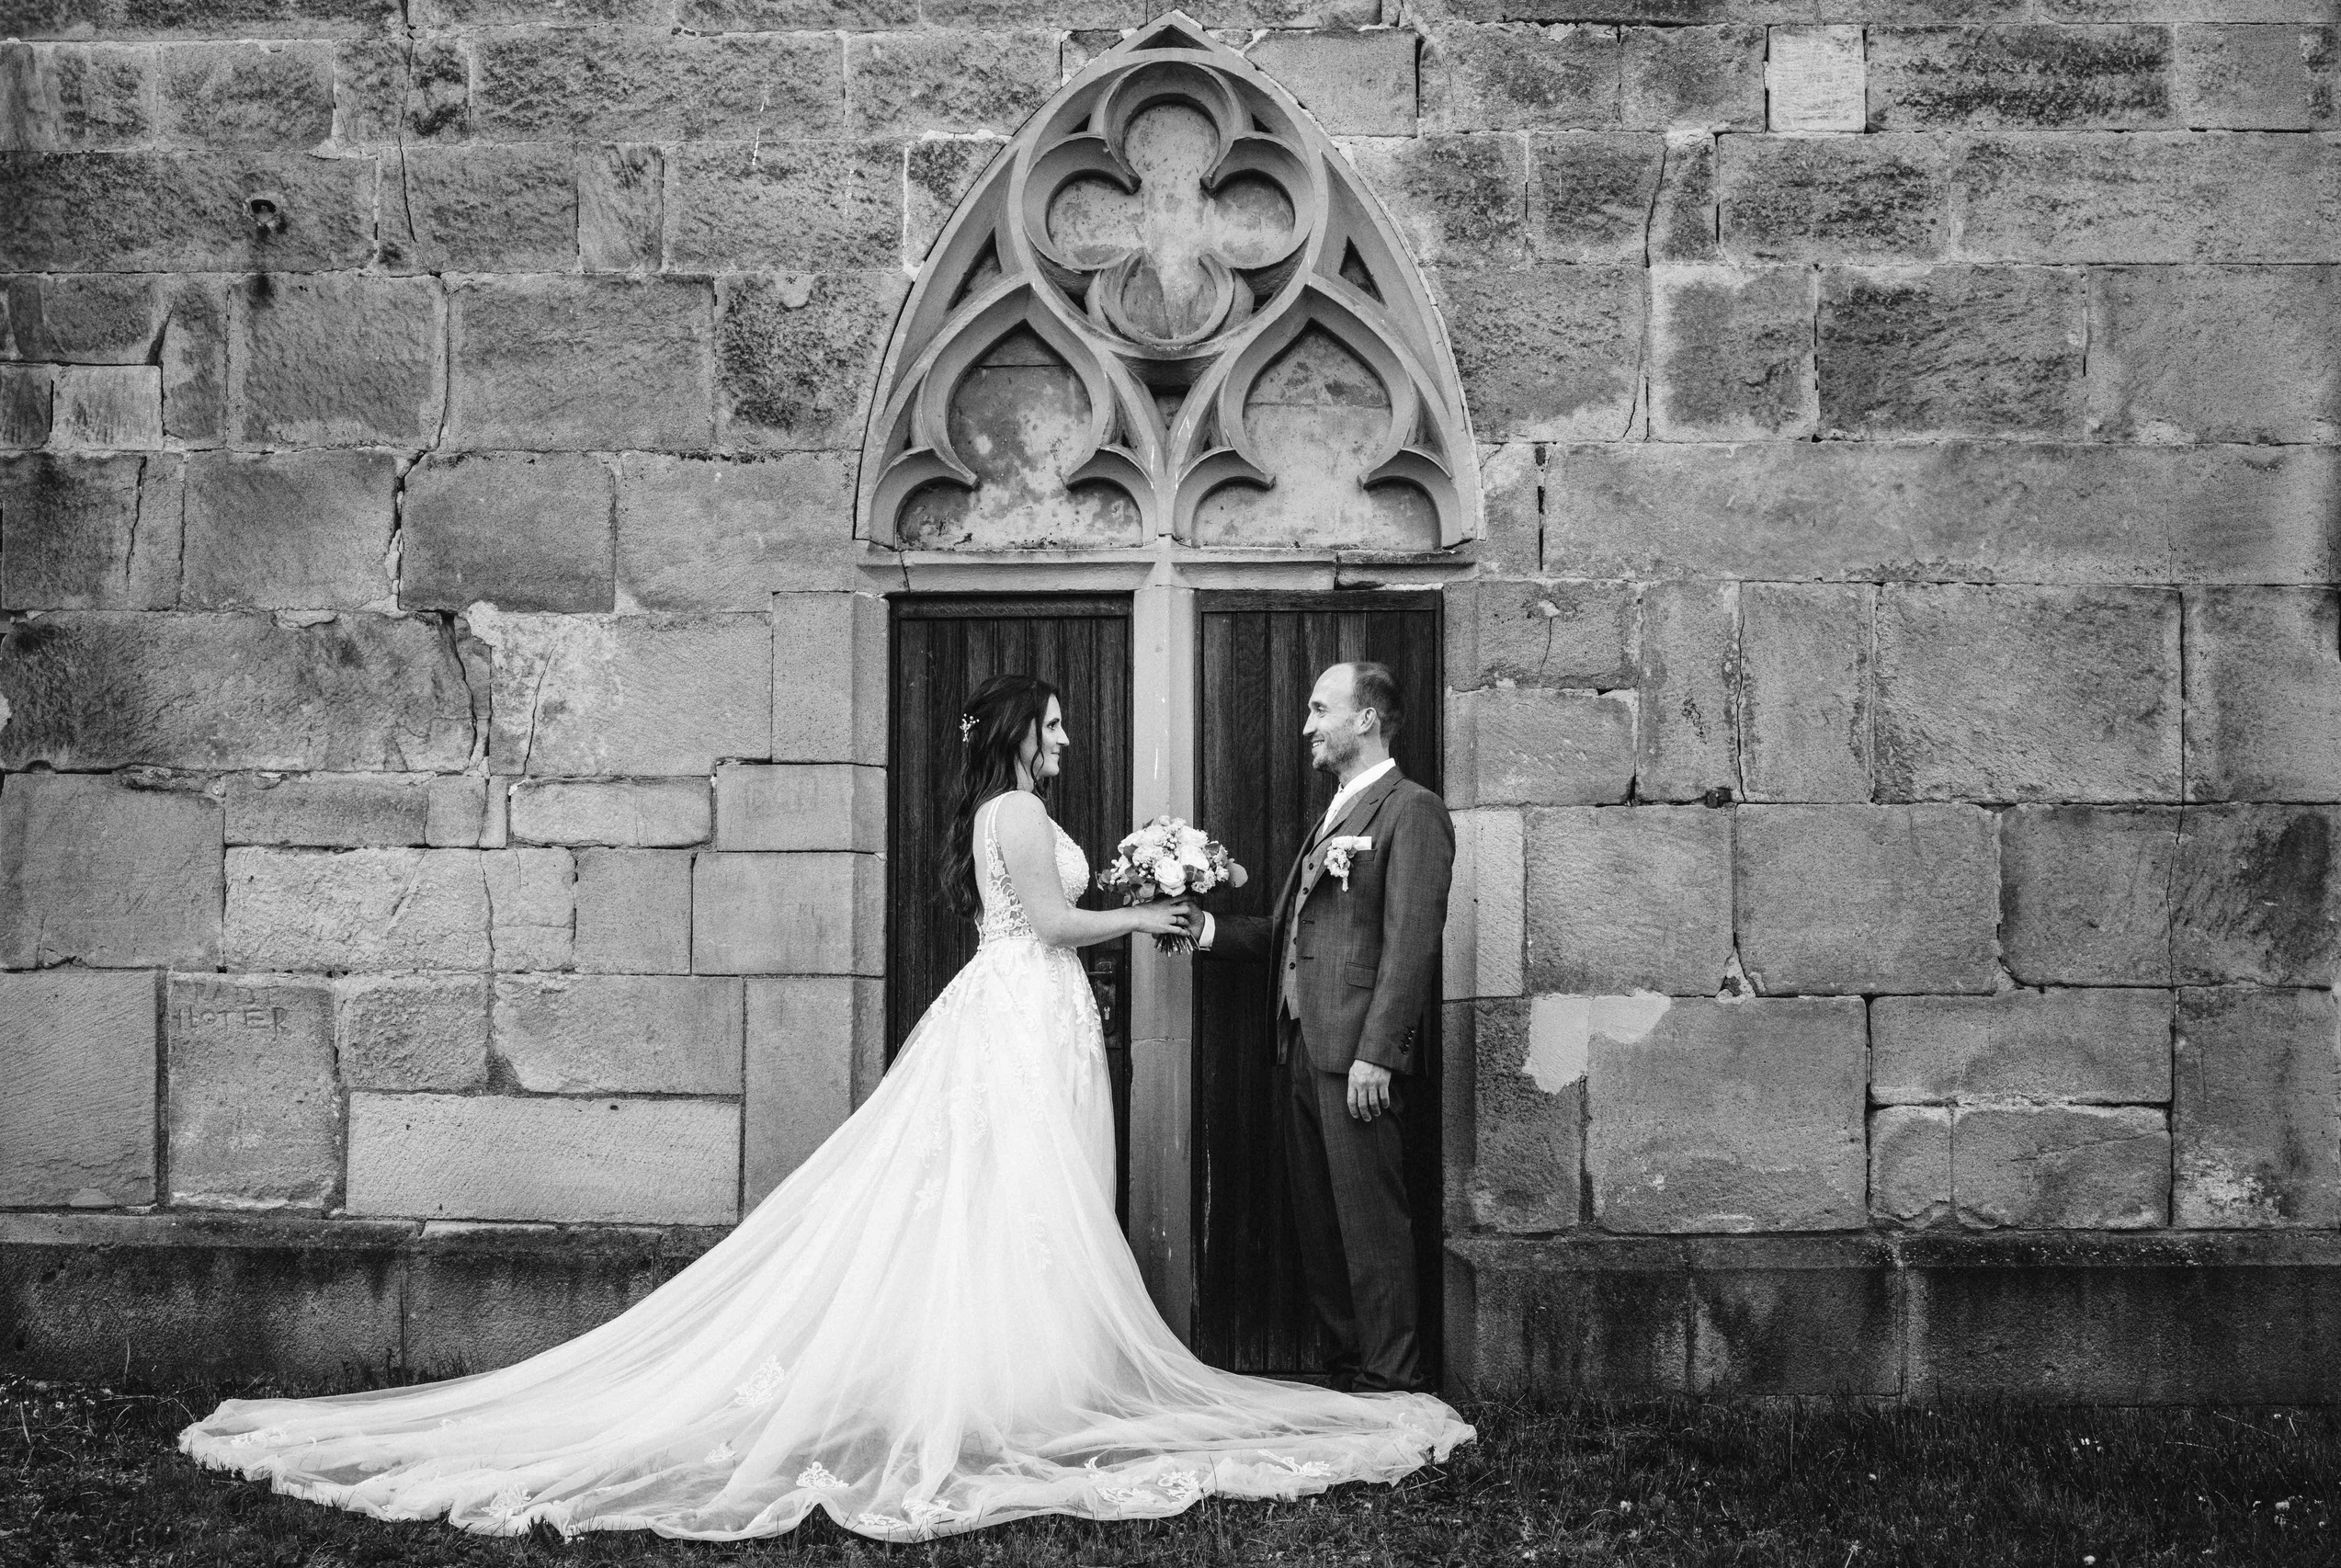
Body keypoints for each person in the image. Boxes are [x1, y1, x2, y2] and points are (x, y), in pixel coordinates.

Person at [180, 672, 1472, 1542]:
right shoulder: (1020, 809)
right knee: (1006, 1192)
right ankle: (1005, 1387)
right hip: (1024, 1012)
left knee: (1021, 1195)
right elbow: (1060, 918)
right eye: (1063, 725)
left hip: (1039, 1013)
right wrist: (1145, 909)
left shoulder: (1371, 812)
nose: (1072, 740)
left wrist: (1169, 900)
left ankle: (1047, 1372)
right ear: (1028, 734)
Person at [1188, 661, 1451, 1396]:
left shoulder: (1412, 810)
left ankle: (1392, 1380)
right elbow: (1288, 932)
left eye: (1318, 709)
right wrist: (1202, 927)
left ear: (1365, 718)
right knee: (1323, 1223)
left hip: (1358, 1058)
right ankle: (1348, 1372)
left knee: (1371, 1222)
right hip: (1303, 1046)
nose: (1306, 725)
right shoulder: (1334, 812)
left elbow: (1411, 942)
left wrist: (1379, 1053)